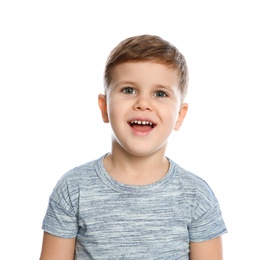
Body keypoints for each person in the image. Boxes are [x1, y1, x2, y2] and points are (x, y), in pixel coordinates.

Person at [40, 34, 227, 259]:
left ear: (179, 115)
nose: (143, 104)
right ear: (104, 107)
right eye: (129, 90)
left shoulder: (196, 196)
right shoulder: (73, 189)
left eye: (160, 93)